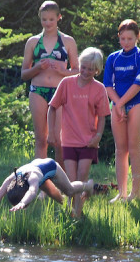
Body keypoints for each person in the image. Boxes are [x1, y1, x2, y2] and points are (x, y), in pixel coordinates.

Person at [47, 47, 112, 217]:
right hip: (68, 140)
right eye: (83, 67)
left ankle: (77, 212)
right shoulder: (66, 83)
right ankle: (72, 209)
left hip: (88, 142)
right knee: (70, 178)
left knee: (81, 176)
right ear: (79, 64)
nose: (85, 71)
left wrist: (97, 137)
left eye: (91, 69)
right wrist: (52, 133)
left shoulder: (99, 89)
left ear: (97, 70)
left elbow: (103, 116)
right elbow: (52, 108)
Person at [21, 1, 79, 163]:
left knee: (60, 141)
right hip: (37, 91)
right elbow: (24, 74)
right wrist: (38, 67)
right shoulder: (33, 42)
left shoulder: (68, 41)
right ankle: (41, 181)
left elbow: (77, 71)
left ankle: (59, 182)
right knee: (41, 139)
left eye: (51, 19)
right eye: (44, 19)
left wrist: (62, 72)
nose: (47, 23)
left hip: (60, 92)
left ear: (59, 18)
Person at [103, 19, 140, 202]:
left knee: (134, 147)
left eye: (130, 38)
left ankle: (135, 193)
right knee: (120, 149)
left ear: (137, 37)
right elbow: (107, 84)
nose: (126, 42)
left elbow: (138, 84)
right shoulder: (113, 58)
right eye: (122, 39)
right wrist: (117, 105)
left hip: (138, 104)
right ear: (118, 38)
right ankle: (122, 193)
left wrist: (121, 103)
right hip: (117, 106)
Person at [0, 158, 94, 227]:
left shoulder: (33, 178)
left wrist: (23, 202)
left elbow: (33, 191)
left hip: (51, 167)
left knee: (70, 191)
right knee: (58, 199)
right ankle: (71, 213)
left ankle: (88, 185)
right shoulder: (11, 180)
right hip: (39, 171)